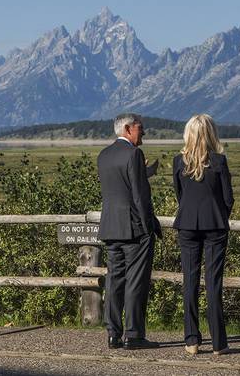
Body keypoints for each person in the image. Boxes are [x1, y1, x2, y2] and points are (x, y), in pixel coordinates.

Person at [97, 113, 162, 350]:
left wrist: (145, 173)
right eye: (140, 128)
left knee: (114, 281)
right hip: (134, 228)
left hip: (111, 226)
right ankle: (133, 335)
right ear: (127, 129)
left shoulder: (104, 155)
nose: (143, 132)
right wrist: (148, 228)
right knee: (136, 282)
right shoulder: (134, 154)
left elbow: (120, 186)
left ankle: (113, 333)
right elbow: (138, 195)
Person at [172, 114, 234, 355]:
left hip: (187, 224)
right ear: (211, 133)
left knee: (189, 281)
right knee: (213, 283)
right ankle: (218, 342)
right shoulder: (219, 161)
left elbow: (179, 195)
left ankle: (191, 340)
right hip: (215, 225)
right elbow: (228, 197)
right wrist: (220, 214)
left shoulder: (179, 162)